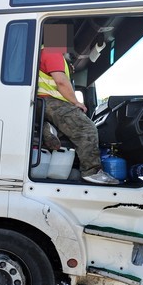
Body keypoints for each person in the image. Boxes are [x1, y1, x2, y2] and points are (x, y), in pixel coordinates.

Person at [38, 46, 119, 185]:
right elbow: (61, 81)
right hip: (51, 102)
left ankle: (49, 128)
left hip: (43, 104)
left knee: (69, 129)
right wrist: (76, 102)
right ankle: (92, 172)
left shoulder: (47, 53)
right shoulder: (52, 51)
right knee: (86, 128)